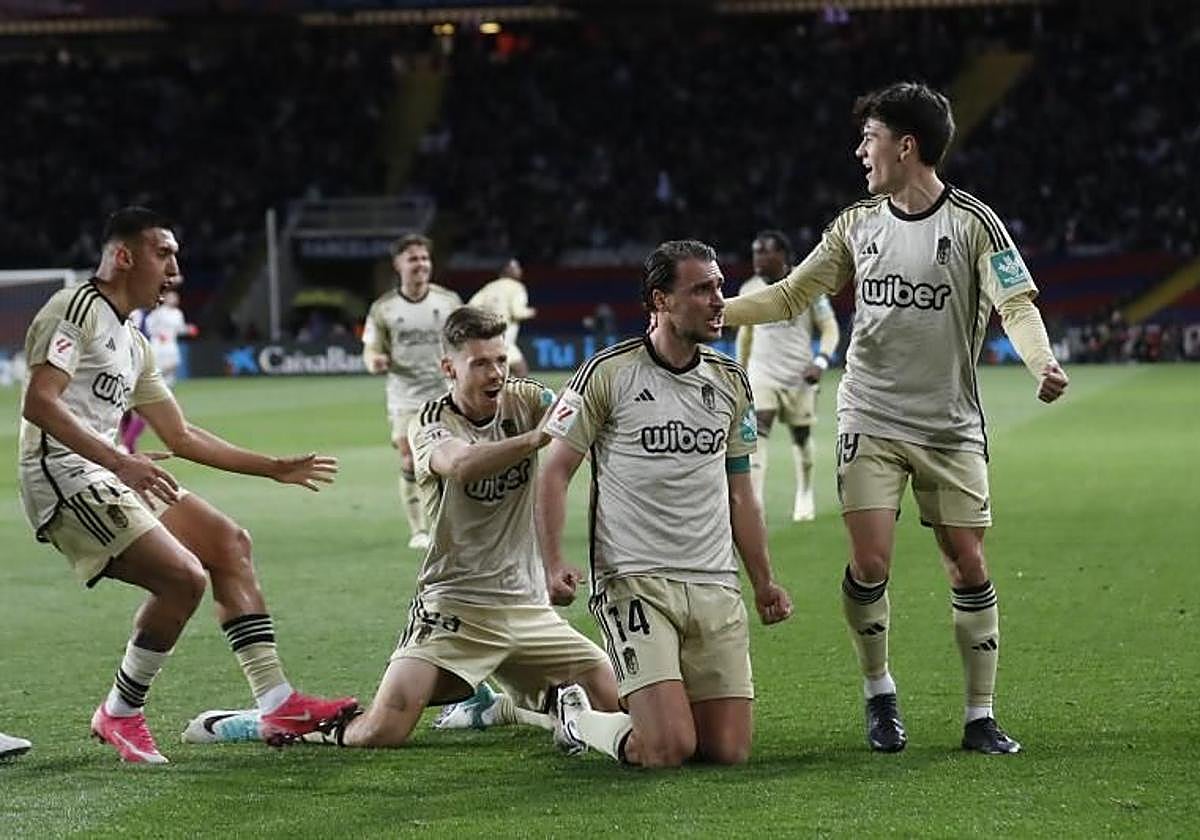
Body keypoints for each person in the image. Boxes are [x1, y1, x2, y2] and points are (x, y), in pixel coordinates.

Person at [722, 82, 1070, 755]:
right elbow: (791, 295)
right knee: (870, 560)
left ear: (906, 146)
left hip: (949, 424)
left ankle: (979, 715)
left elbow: (1016, 304)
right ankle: (879, 691)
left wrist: (1042, 362)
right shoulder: (856, 224)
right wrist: (718, 312)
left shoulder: (974, 223)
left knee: (968, 564)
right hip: (871, 415)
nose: (861, 151)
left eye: (870, 138)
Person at [185, 306, 619, 749]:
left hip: (528, 606)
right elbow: (461, 465)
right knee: (383, 730)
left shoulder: (527, 399)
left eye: (501, 360)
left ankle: (494, 708)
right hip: (455, 605)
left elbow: (579, 422)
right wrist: (534, 439)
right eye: (480, 363)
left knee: (616, 702)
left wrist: (556, 559)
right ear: (448, 368)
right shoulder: (429, 422)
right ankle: (270, 724)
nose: (495, 374)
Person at [18, 206, 357, 764]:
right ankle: (120, 712)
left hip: (108, 468)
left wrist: (272, 466)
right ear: (123, 256)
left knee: (228, 543)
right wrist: (119, 461)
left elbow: (181, 435)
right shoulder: (74, 310)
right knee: (182, 578)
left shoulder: (134, 341)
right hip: (61, 476)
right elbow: (39, 402)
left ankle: (278, 703)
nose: (175, 269)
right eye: (164, 254)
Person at [536, 240, 793, 768]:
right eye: (701, 290)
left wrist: (764, 580)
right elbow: (554, 471)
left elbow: (740, 491)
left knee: (727, 751)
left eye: (719, 287)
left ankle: (652, 711)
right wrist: (553, 563)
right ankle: (577, 718)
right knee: (668, 748)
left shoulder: (731, 381)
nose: (719, 301)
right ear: (661, 300)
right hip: (635, 580)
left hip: (714, 581)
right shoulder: (607, 373)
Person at [362, 233, 463, 551]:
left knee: (451, 459)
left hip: (446, 391)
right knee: (409, 458)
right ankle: (419, 530)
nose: (420, 264)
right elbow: (371, 348)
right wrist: (375, 361)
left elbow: (466, 340)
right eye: (413, 259)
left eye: (424, 258)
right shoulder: (384, 308)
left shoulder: (448, 302)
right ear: (398, 264)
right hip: (405, 394)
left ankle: (449, 523)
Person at [736, 229, 840, 521]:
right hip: (762, 373)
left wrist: (820, 361)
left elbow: (830, 329)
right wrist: (740, 373)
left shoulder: (807, 285)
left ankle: (805, 492)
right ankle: (755, 504)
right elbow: (745, 335)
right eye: (755, 252)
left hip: (799, 375)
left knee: (801, 436)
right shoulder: (749, 288)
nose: (757, 258)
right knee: (757, 431)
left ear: (781, 254)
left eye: (764, 252)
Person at [120, 290, 196, 453]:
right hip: (156, 352)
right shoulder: (156, 313)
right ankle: (127, 445)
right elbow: (149, 328)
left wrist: (187, 329)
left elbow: (177, 329)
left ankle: (128, 446)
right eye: (170, 296)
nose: (173, 299)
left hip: (165, 352)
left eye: (175, 297)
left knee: (137, 401)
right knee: (146, 400)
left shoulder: (174, 314)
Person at [468, 258, 537, 378]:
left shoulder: (489, 287)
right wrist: (530, 312)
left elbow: (470, 307)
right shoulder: (516, 287)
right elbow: (517, 312)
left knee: (501, 375)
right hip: (504, 339)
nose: (519, 270)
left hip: (486, 338)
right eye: (515, 268)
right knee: (521, 371)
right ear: (506, 270)